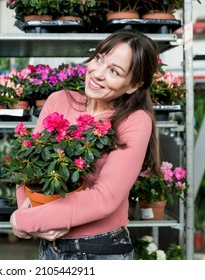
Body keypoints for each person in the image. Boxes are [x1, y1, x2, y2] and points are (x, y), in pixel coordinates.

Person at [9, 29, 162, 260]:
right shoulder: (58, 100)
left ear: (133, 85)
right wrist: (30, 213)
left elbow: (105, 197)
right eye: (99, 58)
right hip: (50, 249)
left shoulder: (135, 120)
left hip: (99, 250)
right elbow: (29, 166)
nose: (98, 73)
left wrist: (24, 220)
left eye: (114, 71)